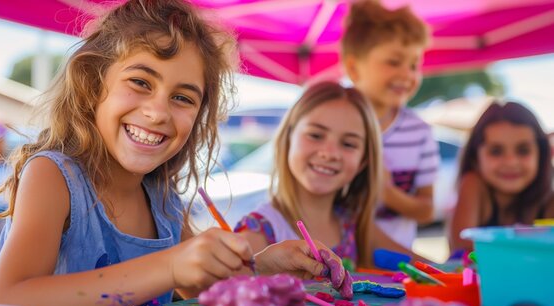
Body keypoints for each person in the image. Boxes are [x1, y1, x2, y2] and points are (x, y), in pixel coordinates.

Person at [0, 0, 338, 306]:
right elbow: (6, 303)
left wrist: (262, 266)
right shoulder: (53, 177)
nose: (158, 112)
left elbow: (198, 283)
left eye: (182, 98)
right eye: (140, 82)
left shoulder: (163, 199)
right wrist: (170, 265)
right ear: (93, 85)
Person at [235, 82, 423, 271]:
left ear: (363, 162)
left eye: (348, 144)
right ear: (288, 137)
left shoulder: (354, 225)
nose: (330, 153)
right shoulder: (258, 231)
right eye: (316, 135)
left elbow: (428, 269)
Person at [340, 0, 440, 250]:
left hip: (395, 264)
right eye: (394, 62)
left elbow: (426, 210)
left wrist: (385, 192)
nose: (407, 74)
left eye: (414, 65)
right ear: (354, 67)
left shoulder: (419, 133)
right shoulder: (334, 125)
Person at [450, 101, 554, 253]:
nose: (511, 162)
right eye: (496, 151)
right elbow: (462, 249)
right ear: (475, 158)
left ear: (541, 154)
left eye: (523, 150)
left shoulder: (549, 200)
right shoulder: (473, 184)